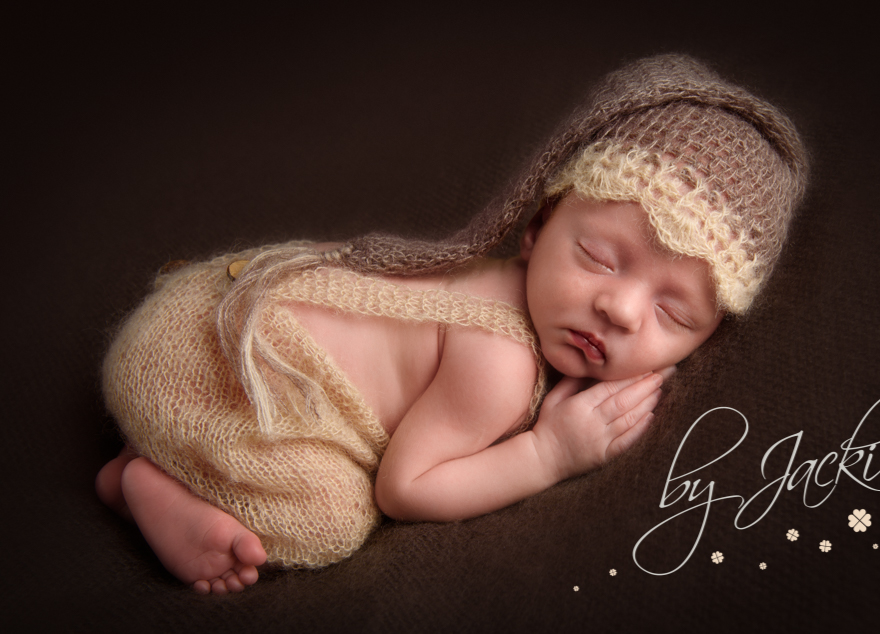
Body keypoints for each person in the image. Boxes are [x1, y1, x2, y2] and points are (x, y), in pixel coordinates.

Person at [95, 54, 809, 594]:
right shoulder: (501, 360)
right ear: (536, 228)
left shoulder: (487, 276)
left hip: (199, 317)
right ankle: (151, 477)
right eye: (598, 257)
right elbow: (405, 488)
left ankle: (136, 463)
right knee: (335, 519)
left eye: (672, 312)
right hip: (208, 365)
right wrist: (547, 454)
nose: (619, 310)